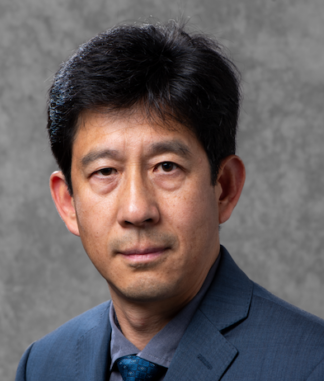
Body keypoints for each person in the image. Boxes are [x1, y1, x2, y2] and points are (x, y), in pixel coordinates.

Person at [16, 20, 324, 381]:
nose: (136, 210)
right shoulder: (42, 365)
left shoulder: (311, 364)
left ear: (224, 187)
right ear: (68, 202)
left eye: (166, 167)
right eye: (105, 172)